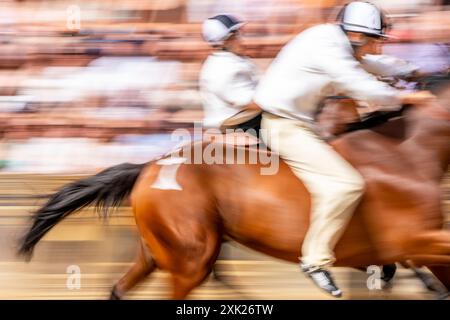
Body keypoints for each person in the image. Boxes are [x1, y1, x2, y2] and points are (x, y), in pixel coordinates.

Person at [254, 1, 434, 297]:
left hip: (300, 124)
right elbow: (361, 84)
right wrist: (411, 99)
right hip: (284, 128)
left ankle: (369, 254)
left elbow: (371, 64)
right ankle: (314, 260)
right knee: (345, 186)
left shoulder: (336, 40)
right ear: (356, 36)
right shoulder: (329, 47)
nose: (376, 47)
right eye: (374, 40)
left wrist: (414, 70)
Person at [200, 14, 262, 134]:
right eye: (237, 35)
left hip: (244, 123)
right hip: (236, 128)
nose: (242, 40)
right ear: (224, 41)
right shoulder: (223, 67)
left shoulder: (232, 60)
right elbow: (252, 103)